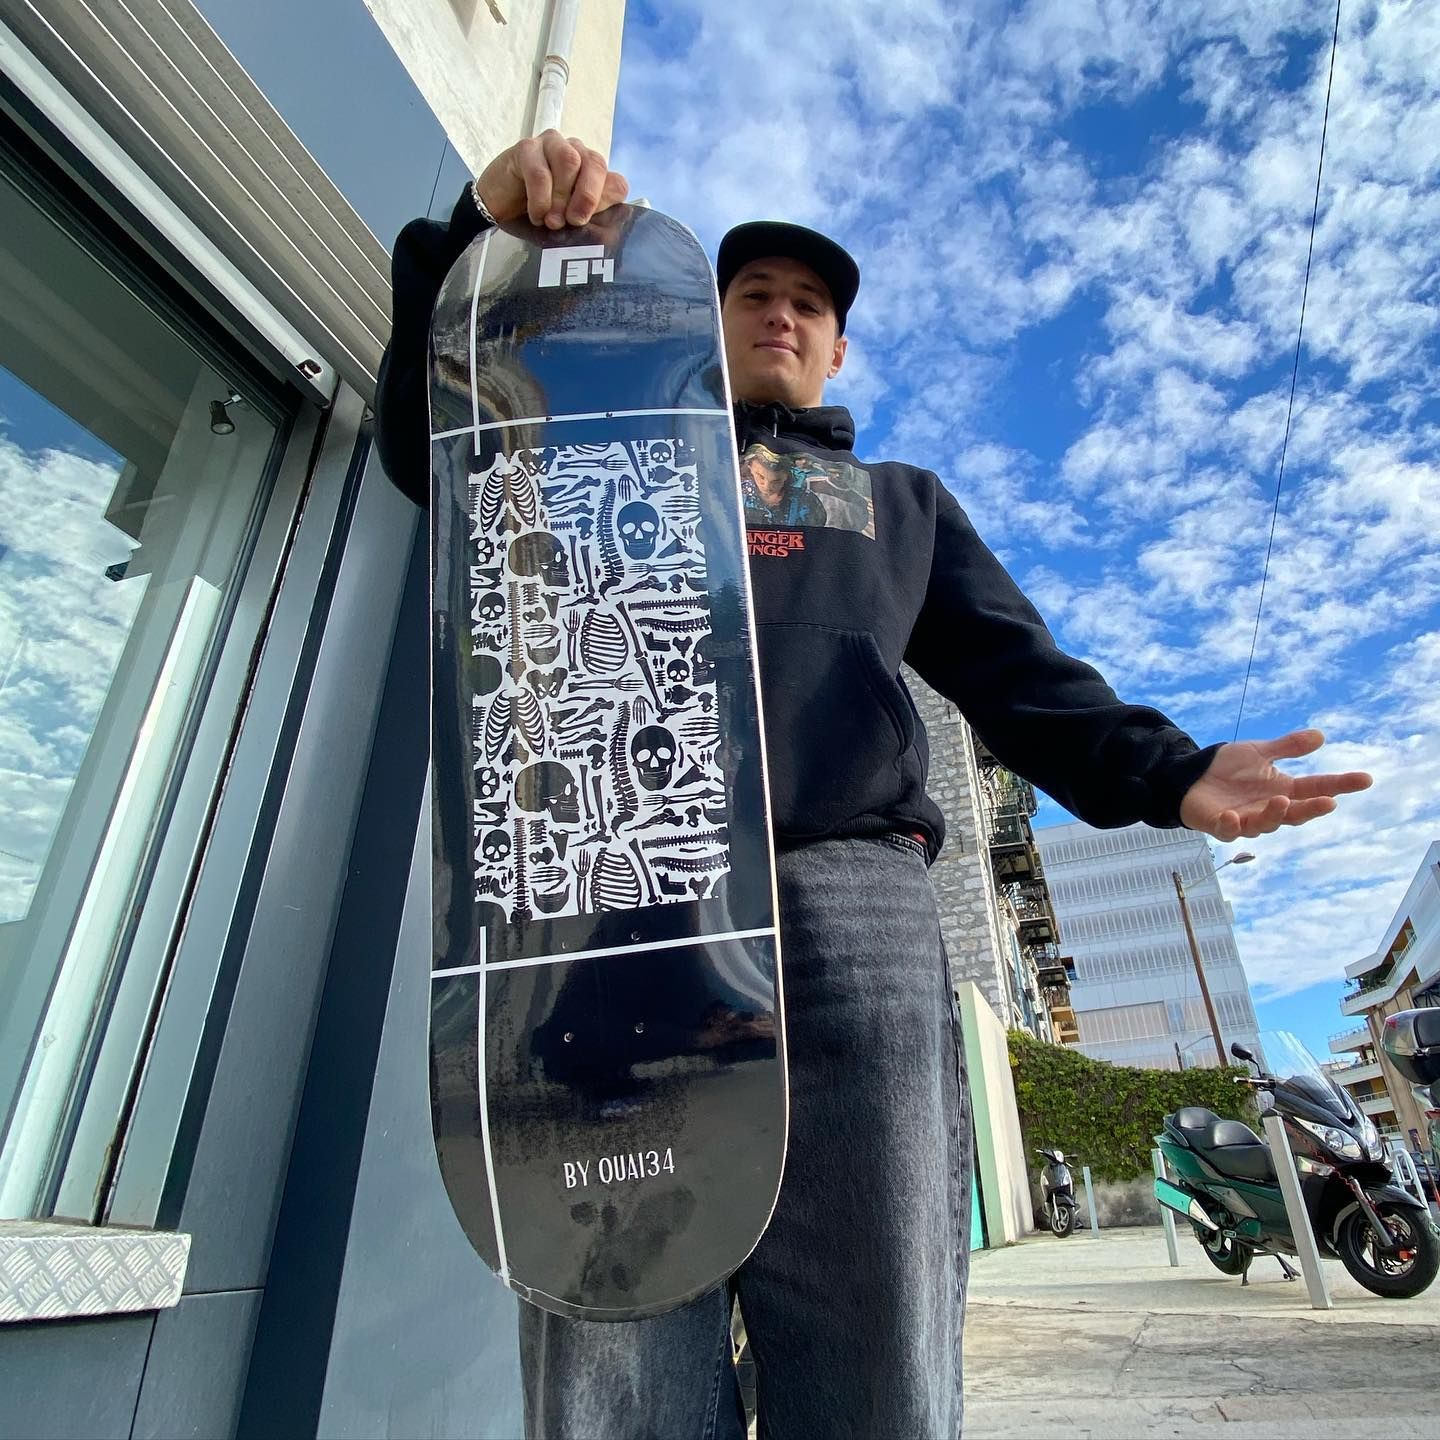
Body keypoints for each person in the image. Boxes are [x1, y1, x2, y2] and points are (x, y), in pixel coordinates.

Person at [374, 131, 1373, 1439]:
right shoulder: (604, 461)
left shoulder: (893, 503)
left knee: (878, 1357)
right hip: (628, 921)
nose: (783, 314)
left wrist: (1174, 772)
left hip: (852, 921)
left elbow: (1028, 681)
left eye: (811, 305)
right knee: (611, 1350)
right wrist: (473, 235)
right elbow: (434, 451)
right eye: (754, 295)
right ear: (704, 322)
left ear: (837, 348)